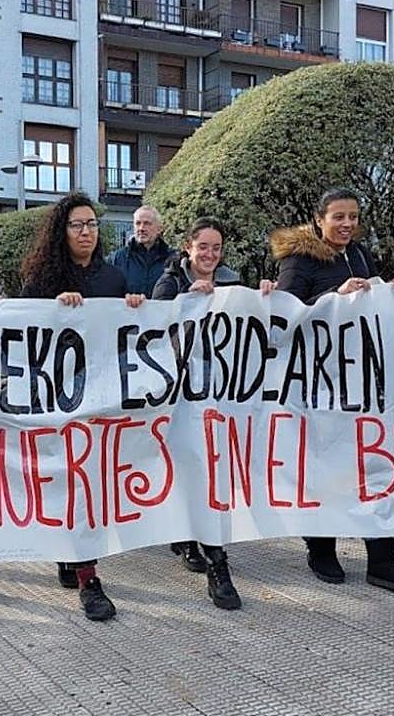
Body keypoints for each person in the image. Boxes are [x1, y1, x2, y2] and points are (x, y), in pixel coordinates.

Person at [271, 187, 394, 593]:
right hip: (320, 385)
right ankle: (321, 549)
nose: (347, 224)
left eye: (353, 217)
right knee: (325, 469)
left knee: (377, 466)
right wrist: (333, 297)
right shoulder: (299, 260)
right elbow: (284, 314)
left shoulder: (360, 255)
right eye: (338, 217)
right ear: (319, 219)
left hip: (363, 383)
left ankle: (382, 559)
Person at [20, 192, 146, 621]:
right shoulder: (42, 278)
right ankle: (78, 566)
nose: (86, 232)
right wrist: (54, 311)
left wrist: (134, 309)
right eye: (77, 225)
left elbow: (126, 335)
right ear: (62, 230)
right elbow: (23, 330)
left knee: (88, 485)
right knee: (66, 482)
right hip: (58, 397)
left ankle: (84, 570)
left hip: (101, 396)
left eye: (92, 224)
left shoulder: (113, 277)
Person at [152, 216, 275, 610]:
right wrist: (186, 301)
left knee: (213, 475)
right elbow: (155, 328)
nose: (209, 254)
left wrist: (265, 297)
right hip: (182, 398)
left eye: (216, 248)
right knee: (190, 471)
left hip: (221, 400)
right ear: (188, 247)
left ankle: (215, 559)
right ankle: (198, 545)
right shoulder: (169, 282)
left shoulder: (232, 282)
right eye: (202, 246)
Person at [108, 205, 175, 297]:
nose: (141, 228)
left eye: (147, 223)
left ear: (159, 229)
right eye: (138, 223)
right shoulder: (118, 258)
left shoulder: (173, 260)